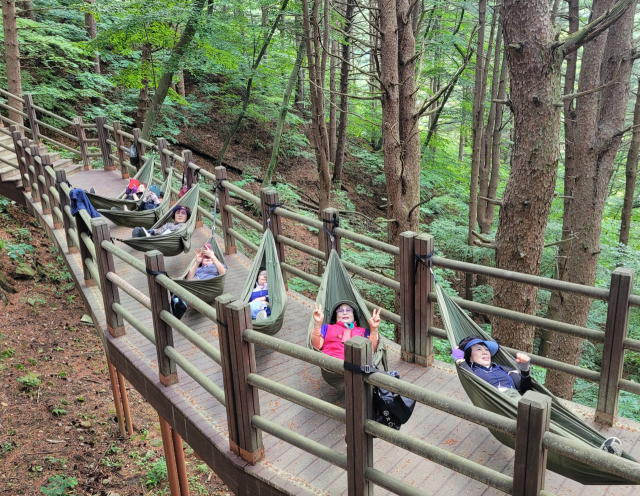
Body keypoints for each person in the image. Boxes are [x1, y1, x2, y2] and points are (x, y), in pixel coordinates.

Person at [451, 335, 532, 395]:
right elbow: (472, 380)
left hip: (515, 402)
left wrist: (524, 369)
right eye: (478, 349)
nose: (485, 352)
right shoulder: (471, 372)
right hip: (496, 402)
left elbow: (525, 389)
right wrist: (460, 360)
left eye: (487, 349)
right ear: (469, 357)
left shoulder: (503, 369)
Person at [311, 301, 381, 361]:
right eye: (340, 311)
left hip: (356, 365)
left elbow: (371, 351)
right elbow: (316, 346)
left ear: (353, 315)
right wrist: (317, 324)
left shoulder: (362, 331)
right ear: (336, 315)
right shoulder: (327, 327)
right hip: (330, 362)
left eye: (348, 310)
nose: (345, 313)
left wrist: (374, 329)